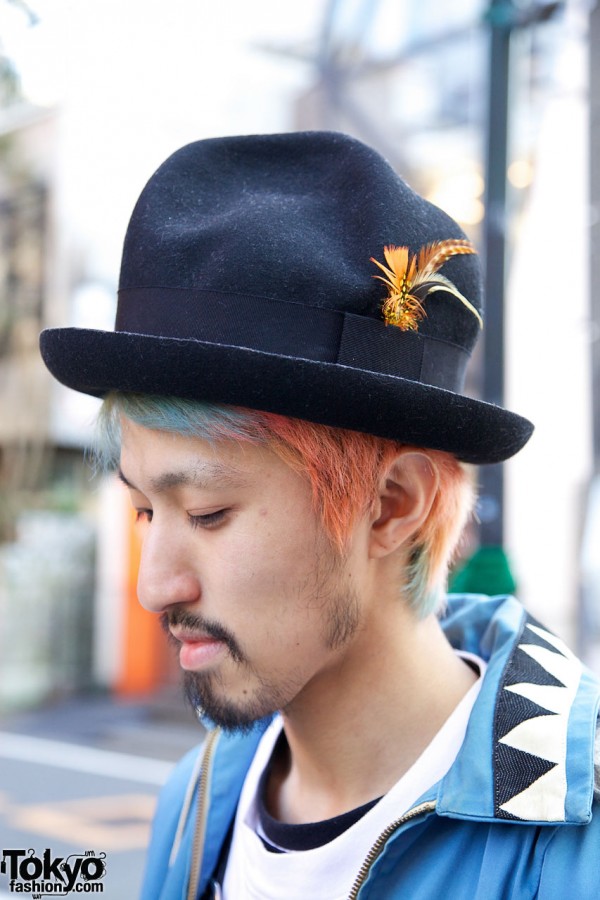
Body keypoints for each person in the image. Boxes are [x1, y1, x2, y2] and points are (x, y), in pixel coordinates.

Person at [40, 132, 600, 899]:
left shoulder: (572, 849)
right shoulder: (199, 799)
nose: (154, 586)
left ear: (393, 506)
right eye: (142, 511)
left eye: (207, 513)